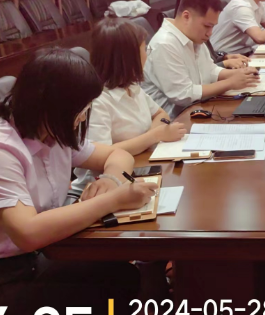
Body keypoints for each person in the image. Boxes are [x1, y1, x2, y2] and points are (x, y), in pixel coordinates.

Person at [0, 48, 157, 315]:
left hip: (21, 263)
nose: (83, 116)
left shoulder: (52, 133)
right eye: (81, 108)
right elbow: (27, 233)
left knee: (120, 276)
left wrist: (111, 179)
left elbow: (117, 154)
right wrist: (114, 199)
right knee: (95, 296)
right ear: (54, 106)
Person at [71, 18, 188, 194]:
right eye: (144, 49)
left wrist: (151, 137)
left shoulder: (131, 86)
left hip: (139, 166)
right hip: (98, 188)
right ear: (128, 57)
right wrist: (155, 135)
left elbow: (161, 114)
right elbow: (103, 154)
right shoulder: (98, 100)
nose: (147, 55)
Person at [143, 0, 258, 116]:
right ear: (186, 17)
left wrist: (238, 74)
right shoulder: (164, 44)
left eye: (212, 27)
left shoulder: (193, 36)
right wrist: (230, 83)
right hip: (174, 119)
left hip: (197, 109)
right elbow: (183, 94)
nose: (210, 33)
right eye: (207, 26)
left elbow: (209, 70)